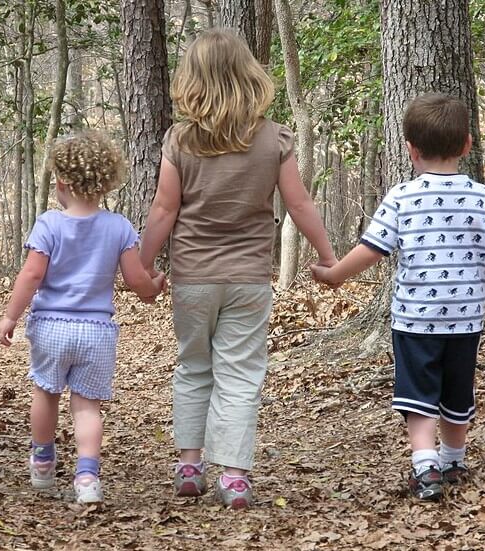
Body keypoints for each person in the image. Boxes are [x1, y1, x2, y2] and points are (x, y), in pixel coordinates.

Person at [138, 29, 337, 509]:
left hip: (193, 276)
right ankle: (234, 476)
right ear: (248, 76)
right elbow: (299, 203)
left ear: (193, 80)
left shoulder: (180, 140)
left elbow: (164, 210)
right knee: (241, 373)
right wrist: (329, 256)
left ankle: (189, 464)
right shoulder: (273, 139)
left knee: (193, 367)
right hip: (248, 278)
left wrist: (141, 268)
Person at [311, 93, 485, 501]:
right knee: (458, 390)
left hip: (415, 321)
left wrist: (334, 275)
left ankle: (427, 466)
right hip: (466, 321)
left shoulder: (402, 197)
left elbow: (372, 250)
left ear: (410, 149)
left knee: (418, 395)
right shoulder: (484, 197)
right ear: (467, 145)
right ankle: (454, 459)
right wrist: (476, 295)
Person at [0, 130, 165, 504]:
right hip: (96, 332)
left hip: (52, 328)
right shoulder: (119, 227)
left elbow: (31, 275)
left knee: (45, 392)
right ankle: (87, 477)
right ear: (106, 182)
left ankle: (42, 462)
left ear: (60, 182)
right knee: (87, 406)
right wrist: (153, 288)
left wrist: (10, 316)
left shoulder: (49, 224)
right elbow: (135, 279)